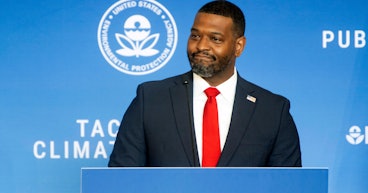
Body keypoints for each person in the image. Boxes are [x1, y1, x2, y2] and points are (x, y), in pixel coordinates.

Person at [108, 0, 301, 167]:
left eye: (215, 39)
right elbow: (121, 181)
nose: (201, 46)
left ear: (238, 46)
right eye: (195, 36)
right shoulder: (150, 99)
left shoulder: (273, 111)